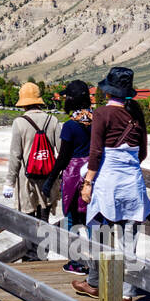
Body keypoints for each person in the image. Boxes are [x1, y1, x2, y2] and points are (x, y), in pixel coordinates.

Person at [73, 67, 150, 301]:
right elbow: (143, 152)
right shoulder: (136, 113)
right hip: (133, 184)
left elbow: (95, 152)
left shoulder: (102, 114)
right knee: (129, 238)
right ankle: (127, 294)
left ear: (108, 91)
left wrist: (87, 183)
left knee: (99, 231)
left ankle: (96, 282)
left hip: (108, 183)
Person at [44, 80, 93, 275]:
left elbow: (63, 157)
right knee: (91, 219)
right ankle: (96, 265)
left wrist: (50, 179)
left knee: (72, 219)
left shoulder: (70, 126)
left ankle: (77, 262)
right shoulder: (96, 120)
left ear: (71, 100)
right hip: (93, 173)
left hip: (74, 176)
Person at [3, 83, 63, 222]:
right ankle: (43, 243)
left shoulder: (19, 122)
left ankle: (30, 244)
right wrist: (59, 177)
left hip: (27, 180)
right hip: (48, 179)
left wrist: (9, 182)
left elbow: (15, 156)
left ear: (23, 103)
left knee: (28, 222)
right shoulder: (52, 121)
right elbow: (61, 151)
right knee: (44, 220)